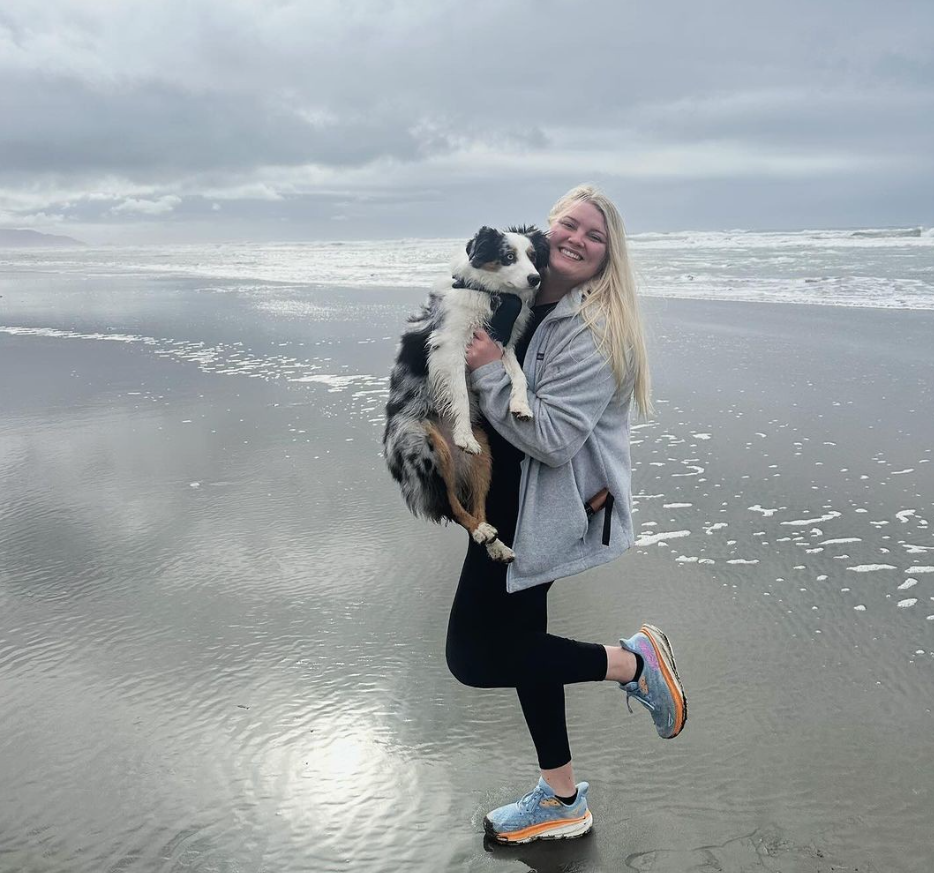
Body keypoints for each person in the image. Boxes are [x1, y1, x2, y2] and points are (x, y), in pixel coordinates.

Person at [448, 184, 687, 845]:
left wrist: (492, 370)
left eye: (596, 235)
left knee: (473, 656)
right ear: (547, 230)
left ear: (610, 257)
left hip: (543, 513)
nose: (579, 238)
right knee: (524, 648)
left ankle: (634, 663)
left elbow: (552, 437)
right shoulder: (521, 296)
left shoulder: (597, 329)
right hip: (503, 501)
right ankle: (560, 795)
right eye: (569, 224)